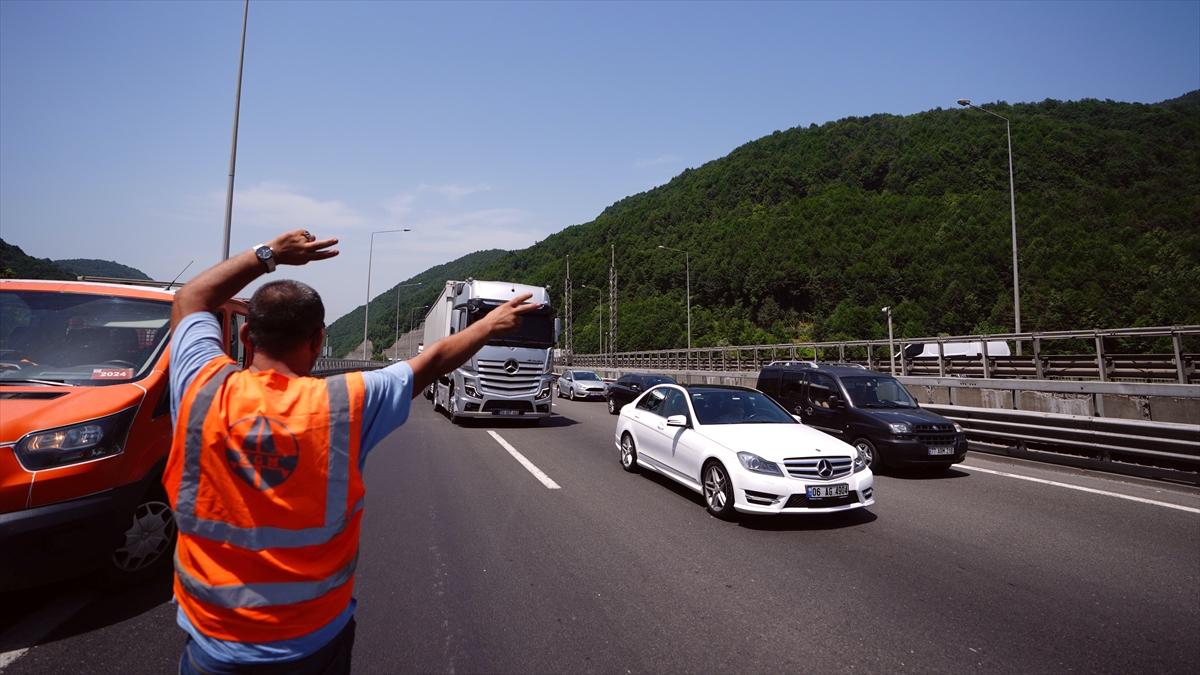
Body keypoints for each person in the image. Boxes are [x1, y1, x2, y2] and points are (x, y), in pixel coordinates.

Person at [164, 229, 539, 674]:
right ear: (319, 341)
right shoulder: (345, 403)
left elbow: (191, 298)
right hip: (313, 642)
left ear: (246, 336)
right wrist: (488, 325)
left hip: (213, 643)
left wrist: (271, 255)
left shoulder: (200, 387)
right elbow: (433, 361)